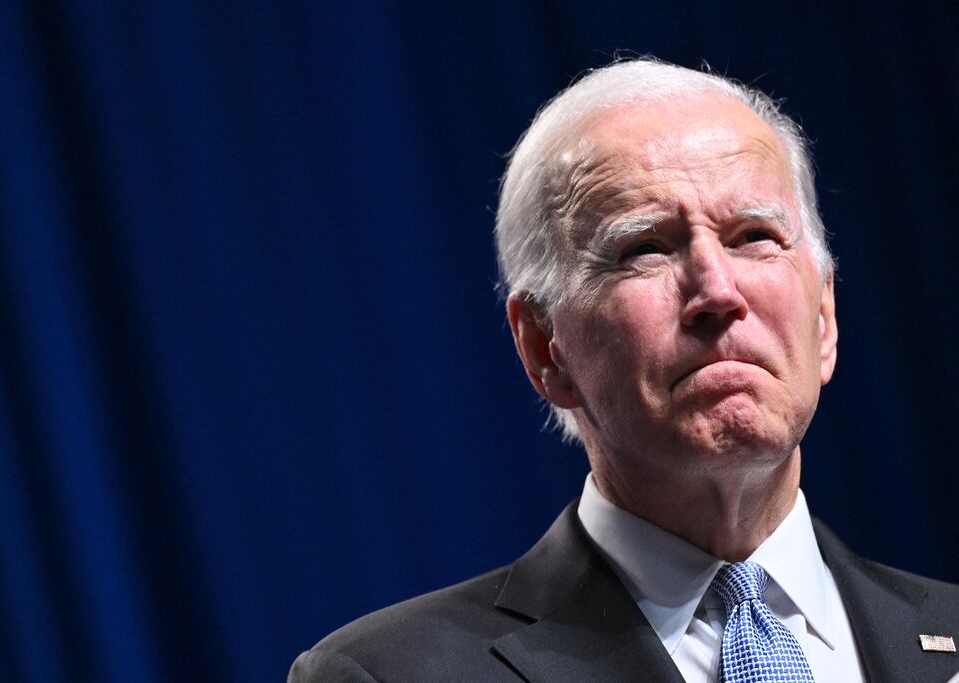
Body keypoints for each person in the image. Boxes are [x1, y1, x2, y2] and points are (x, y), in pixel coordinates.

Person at [289, 59, 959, 682]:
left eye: (754, 236)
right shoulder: (387, 674)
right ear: (544, 346)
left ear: (824, 316)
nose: (718, 291)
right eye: (644, 248)